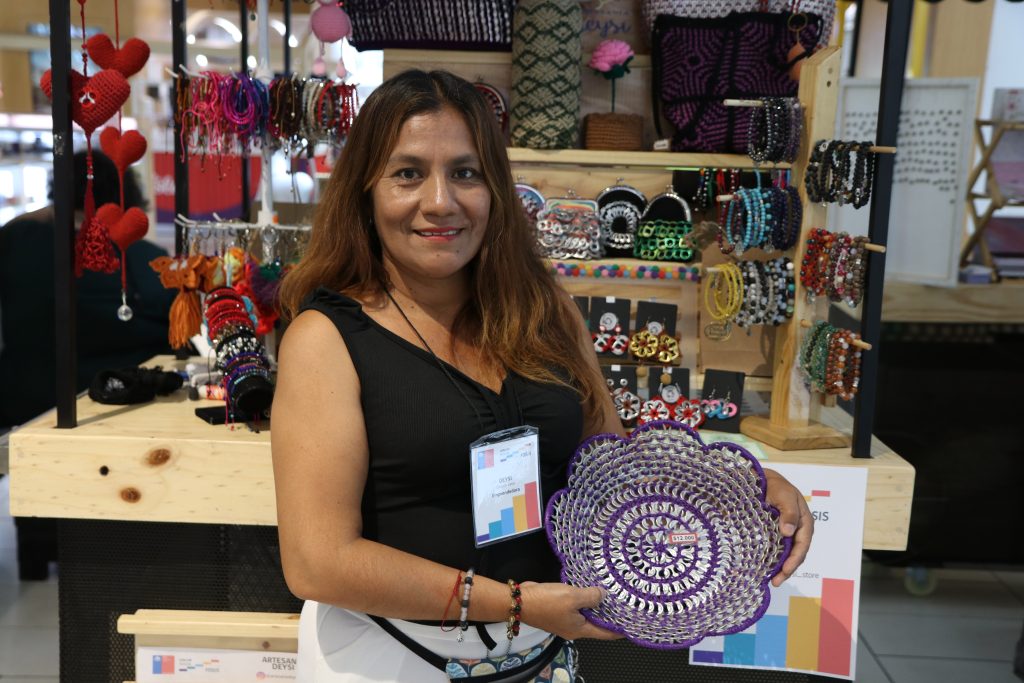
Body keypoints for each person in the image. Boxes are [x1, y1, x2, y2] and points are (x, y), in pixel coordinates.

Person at [272, 69, 813, 682]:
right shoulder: (327, 339)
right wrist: (514, 603)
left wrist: (741, 493)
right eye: (408, 173)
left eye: (466, 173)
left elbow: (613, 473)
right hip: (391, 657)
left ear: (495, 190)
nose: (440, 201)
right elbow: (317, 562)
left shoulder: (544, 313)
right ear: (365, 192)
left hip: (538, 655)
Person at [0, 149, 174, 578]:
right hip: (114, 404)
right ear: (125, 194)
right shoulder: (139, 256)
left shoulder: (15, 240)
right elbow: (171, 323)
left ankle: (35, 556)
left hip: (26, 395)